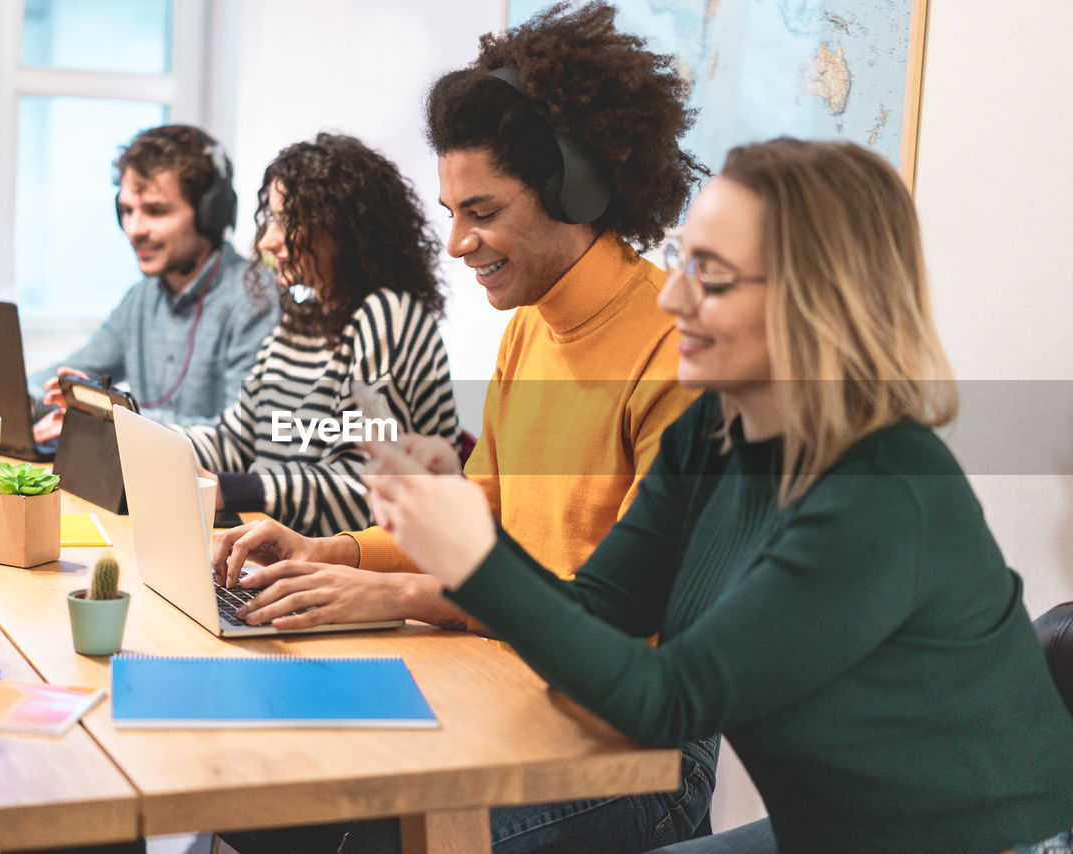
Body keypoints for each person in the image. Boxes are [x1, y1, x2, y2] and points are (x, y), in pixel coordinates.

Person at [363, 137, 1073, 854]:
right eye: (680, 260)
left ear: (816, 299)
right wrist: (456, 538)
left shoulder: (881, 494)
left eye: (712, 275)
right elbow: (598, 612)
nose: (673, 299)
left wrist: (475, 560)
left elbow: (665, 703)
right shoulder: (713, 428)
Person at [214, 4, 716, 852]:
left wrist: (405, 595)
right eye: (450, 210)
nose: (455, 243)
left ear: (577, 189)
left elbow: (624, 620)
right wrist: (333, 551)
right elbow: (475, 525)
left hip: (641, 747)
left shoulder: (671, 353)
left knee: (364, 836)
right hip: (514, 676)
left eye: (479, 211)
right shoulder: (530, 330)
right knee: (272, 802)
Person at [174, 132, 459, 537]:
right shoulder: (297, 324)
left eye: (288, 221)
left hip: (360, 569)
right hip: (291, 550)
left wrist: (236, 489)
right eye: (270, 219)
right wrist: (144, 441)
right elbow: (235, 439)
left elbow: (362, 485)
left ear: (344, 229)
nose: (269, 240)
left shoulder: (386, 315)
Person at [31, 124, 278, 438]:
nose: (134, 229)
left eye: (155, 211)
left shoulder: (255, 298)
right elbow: (76, 375)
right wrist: (16, 398)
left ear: (209, 213)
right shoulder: (141, 298)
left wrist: (111, 418)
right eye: (126, 210)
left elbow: (241, 436)